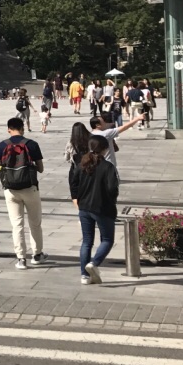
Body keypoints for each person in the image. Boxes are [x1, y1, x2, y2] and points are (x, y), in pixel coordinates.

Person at [0, 117, 46, 270]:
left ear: (8, 129)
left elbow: (1, 165)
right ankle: (37, 255)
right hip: (30, 187)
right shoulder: (31, 144)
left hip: (10, 189)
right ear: (22, 128)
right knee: (35, 223)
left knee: (17, 224)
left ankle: (21, 259)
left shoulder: (2, 145)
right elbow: (41, 168)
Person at [70, 134, 119, 286]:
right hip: (102, 208)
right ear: (104, 149)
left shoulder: (82, 164)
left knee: (86, 241)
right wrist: (112, 200)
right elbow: (112, 189)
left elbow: (74, 184)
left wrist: (77, 199)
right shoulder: (108, 167)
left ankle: (84, 276)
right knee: (107, 239)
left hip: (84, 207)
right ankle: (94, 263)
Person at [89, 110, 145, 175]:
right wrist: (137, 119)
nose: (105, 123)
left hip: (94, 165)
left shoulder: (89, 135)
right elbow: (124, 127)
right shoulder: (106, 134)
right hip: (108, 163)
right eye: (103, 122)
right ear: (97, 125)